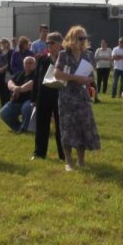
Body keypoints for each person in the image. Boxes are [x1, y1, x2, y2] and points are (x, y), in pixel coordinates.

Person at [55, 26, 100, 171]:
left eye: (84, 38)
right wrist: (75, 78)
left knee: (83, 127)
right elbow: (57, 74)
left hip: (82, 97)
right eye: (80, 38)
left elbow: (91, 76)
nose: (83, 41)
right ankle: (69, 162)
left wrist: (87, 80)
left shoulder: (88, 55)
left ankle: (81, 161)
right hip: (67, 97)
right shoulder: (63, 54)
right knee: (67, 128)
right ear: (72, 38)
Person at [31, 32, 65, 161]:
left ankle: (64, 154)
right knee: (41, 126)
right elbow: (36, 79)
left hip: (60, 96)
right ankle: (39, 153)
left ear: (59, 44)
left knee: (61, 126)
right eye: (47, 43)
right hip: (43, 96)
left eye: (52, 43)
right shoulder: (42, 59)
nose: (49, 45)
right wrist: (34, 98)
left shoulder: (65, 59)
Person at [0, 55, 38, 132]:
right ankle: (18, 128)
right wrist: (14, 88)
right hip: (16, 101)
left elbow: (32, 84)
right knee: (3, 113)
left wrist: (18, 89)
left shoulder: (37, 75)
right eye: (26, 63)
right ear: (23, 64)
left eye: (30, 63)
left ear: (35, 64)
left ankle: (25, 129)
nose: (28, 65)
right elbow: (10, 82)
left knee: (26, 108)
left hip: (30, 101)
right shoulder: (19, 74)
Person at [0, 38, 12, 106]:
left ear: (7, 43)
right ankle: (2, 104)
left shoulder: (11, 52)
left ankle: (7, 104)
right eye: (1, 43)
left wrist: (3, 68)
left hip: (7, 73)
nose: (2, 44)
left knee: (7, 89)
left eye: (4, 42)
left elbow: (10, 62)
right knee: (1, 90)